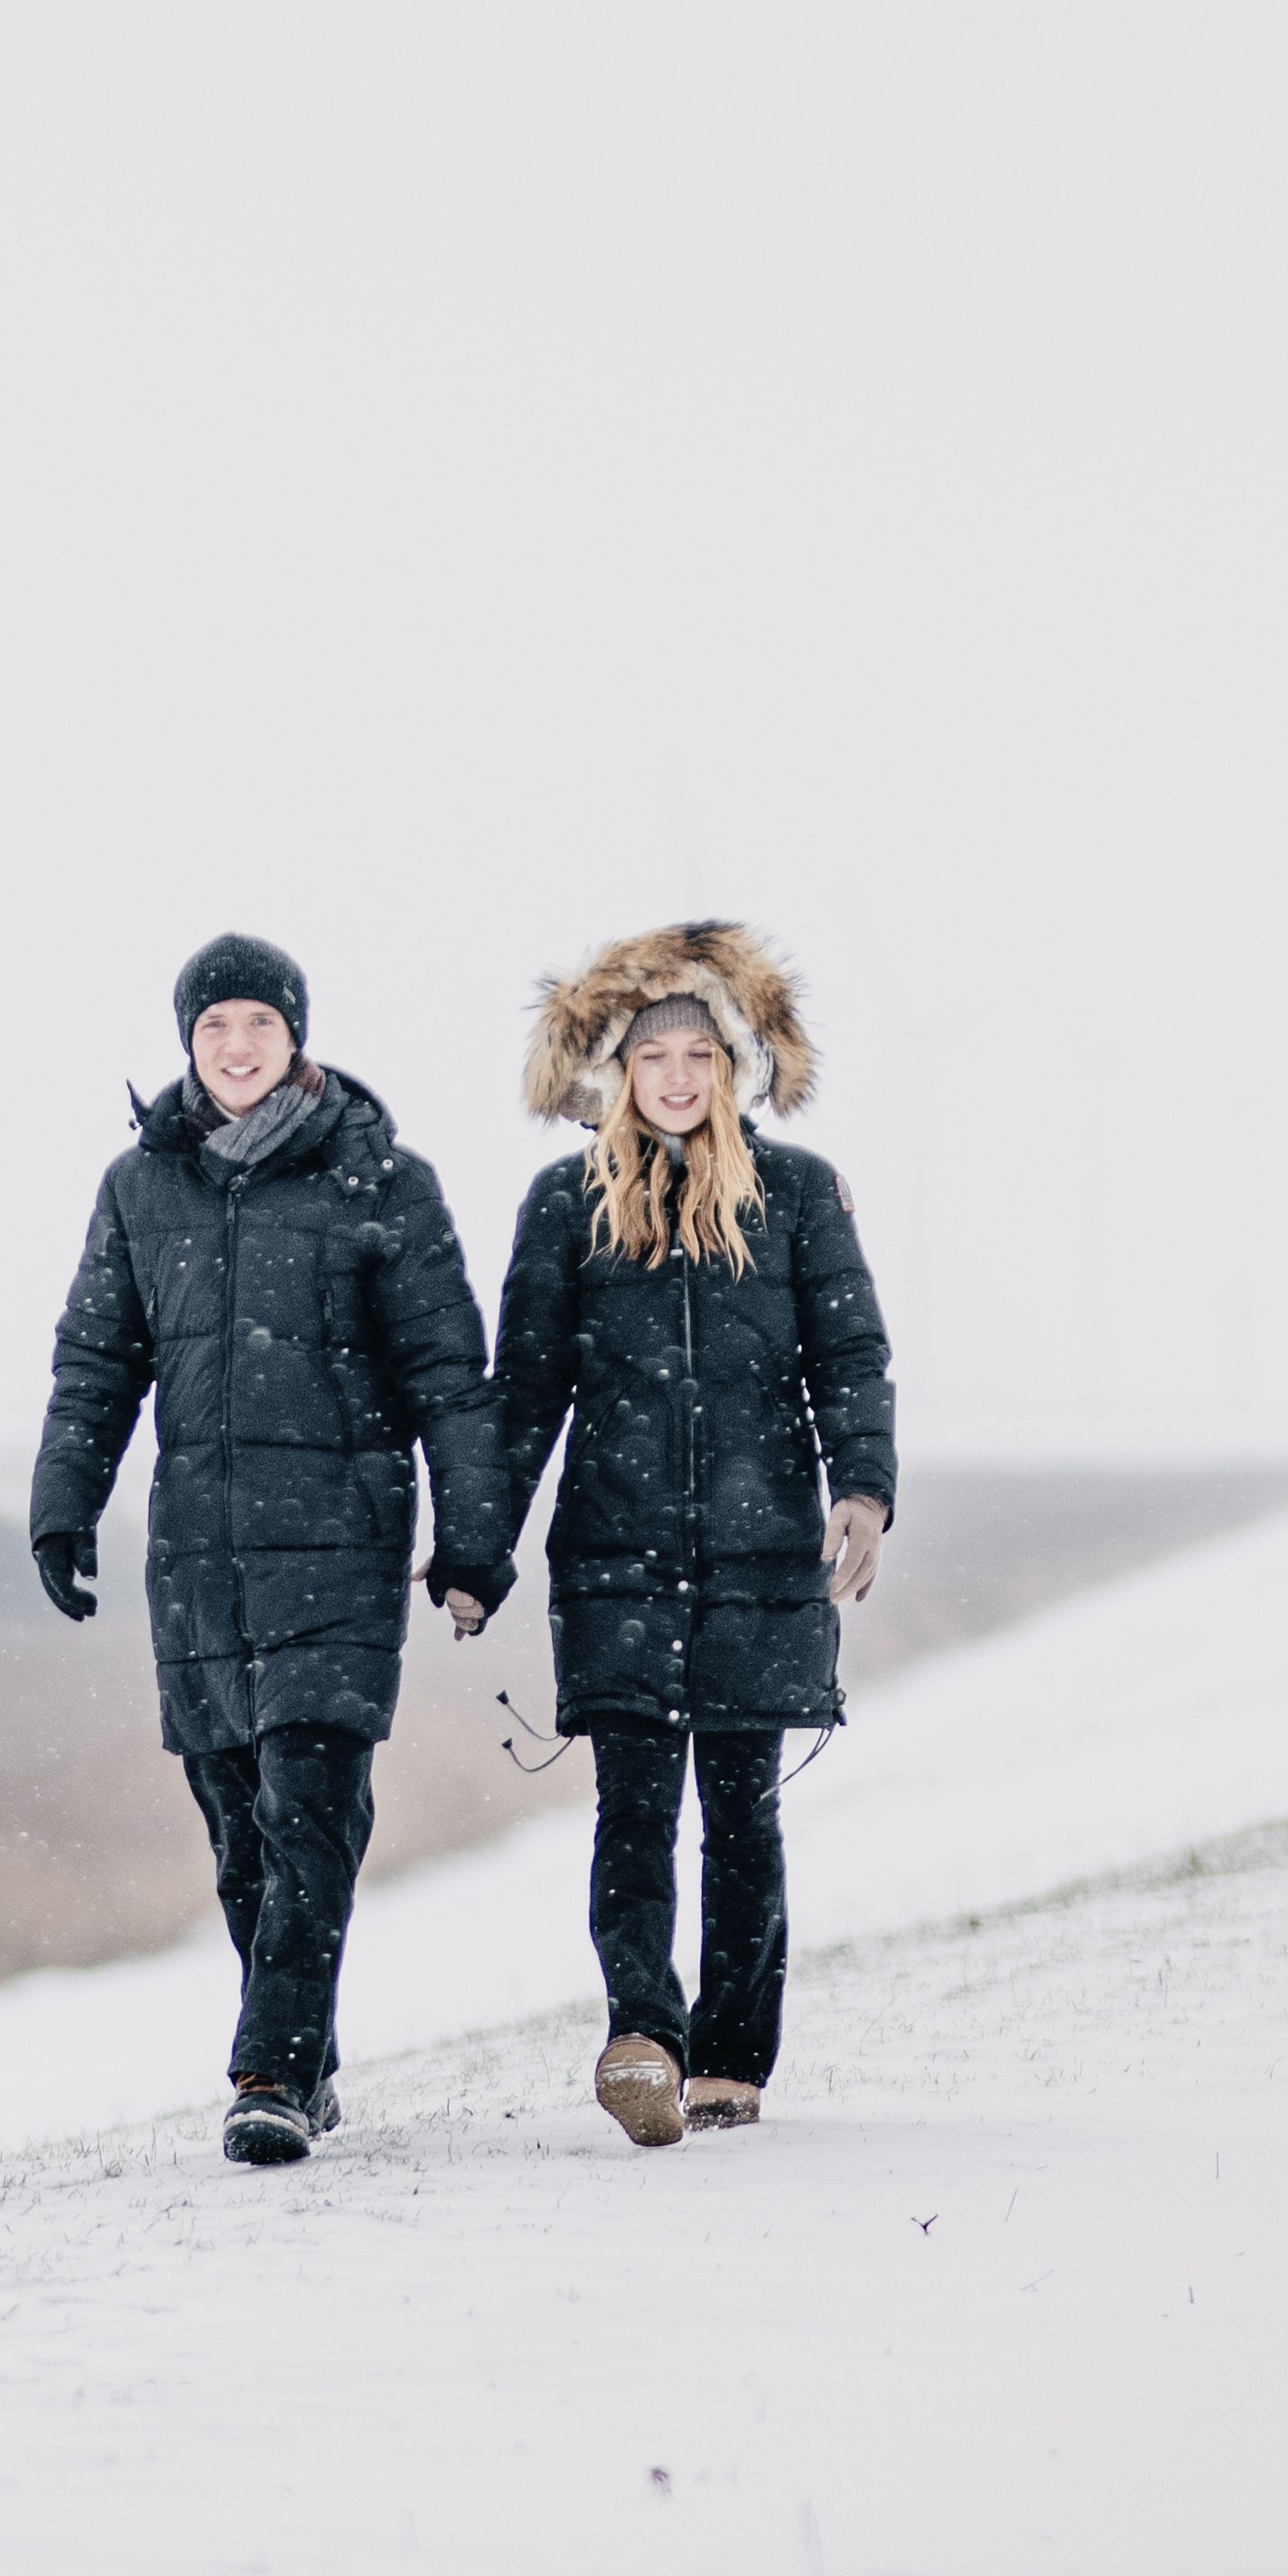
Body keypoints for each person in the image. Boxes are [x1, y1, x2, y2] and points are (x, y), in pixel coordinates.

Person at [33, 935, 515, 2168]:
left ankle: (274, 2071)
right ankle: (307, 2054)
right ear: (186, 1044)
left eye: (258, 1023)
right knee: (239, 1829)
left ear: (296, 1036)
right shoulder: (141, 1189)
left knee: (311, 1803)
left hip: (343, 1542)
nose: (237, 1047)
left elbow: (450, 1380)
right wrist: (63, 1504)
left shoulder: (380, 1182)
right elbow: (99, 1364)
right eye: (214, 1028)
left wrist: (475, 1536)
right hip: (200, 1552)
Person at [477, 921, 898, 2150]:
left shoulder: (800, 1196)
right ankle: (643, 2038)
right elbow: (526, 1394)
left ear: (732, 1070)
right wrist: (478, 1549)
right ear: (615, 1070)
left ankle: (730, 2056)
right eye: (651, 1054)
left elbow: (851, 1357)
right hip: (612, 1560)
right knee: (633, 1815)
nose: (674, 1076)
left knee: (743, 1816)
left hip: (767, 1558)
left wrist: (863, 1489)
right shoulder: (566, 1206)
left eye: (697, 1055)